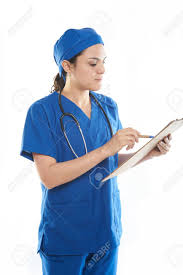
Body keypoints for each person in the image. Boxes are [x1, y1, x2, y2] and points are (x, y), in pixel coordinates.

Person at [20, 27, 172, 275]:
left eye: (103, 62)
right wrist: (107, 148)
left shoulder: (108, 107)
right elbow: (49, 177)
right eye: (92, 63)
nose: (101, 69)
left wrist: (148, 153)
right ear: (67, 66)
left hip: (105, 234)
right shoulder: (41, 112)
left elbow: (109, 162)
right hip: (65, 239)